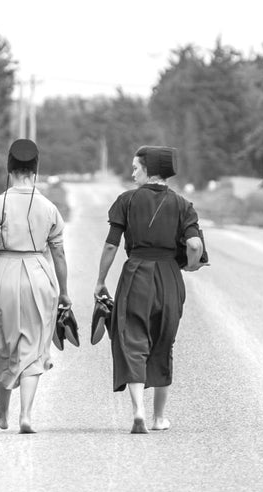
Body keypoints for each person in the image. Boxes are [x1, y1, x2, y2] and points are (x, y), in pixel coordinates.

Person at [93, 145, 208, 434]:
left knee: (132, 338)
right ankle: (159, 418)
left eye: (136, 167)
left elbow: (111, 244)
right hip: (169, 276)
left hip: (136, 273)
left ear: (148, 170)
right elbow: (194, 245)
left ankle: (138, 411)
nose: (133, 172)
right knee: (162, 341)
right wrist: (191, 266)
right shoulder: (184, 205)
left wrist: (100, 280)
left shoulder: (126, 201)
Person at [0, 139, 71, 434]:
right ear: (35, 171)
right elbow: (59, 253)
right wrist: (64, 292)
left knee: (3, 343)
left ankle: (3, 413)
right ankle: (26, 415)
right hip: (39, 273)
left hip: (4, 274)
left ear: (9, 170)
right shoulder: (49, 207)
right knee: (34, 346)